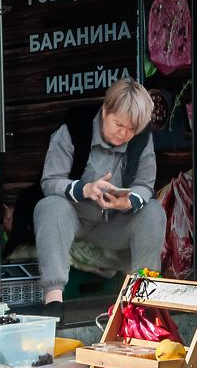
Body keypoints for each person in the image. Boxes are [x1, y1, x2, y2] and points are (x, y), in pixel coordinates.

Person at [34, 77, 166, 321]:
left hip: (114, 223)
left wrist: (127, 202)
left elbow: (146, 185)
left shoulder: (140, 138)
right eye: (118, 125)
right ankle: (53, 301)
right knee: (49, 206)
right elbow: (50, 181)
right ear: (105, 110)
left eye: (131, 129)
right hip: (75, 217)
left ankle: (142, 300)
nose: (124, 134)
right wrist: (85, 190)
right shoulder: (73, 129)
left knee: (153, 212)